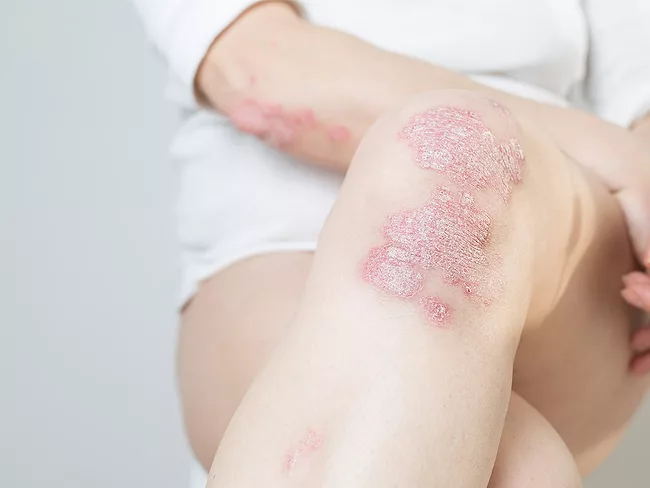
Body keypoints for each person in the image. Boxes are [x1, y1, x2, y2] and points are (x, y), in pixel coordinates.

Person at [131, 1, 650, 485]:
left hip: (556, 255)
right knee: (525, 472)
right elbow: (257, 68)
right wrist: (612, 152)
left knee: (456, 158)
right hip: (280, 256)